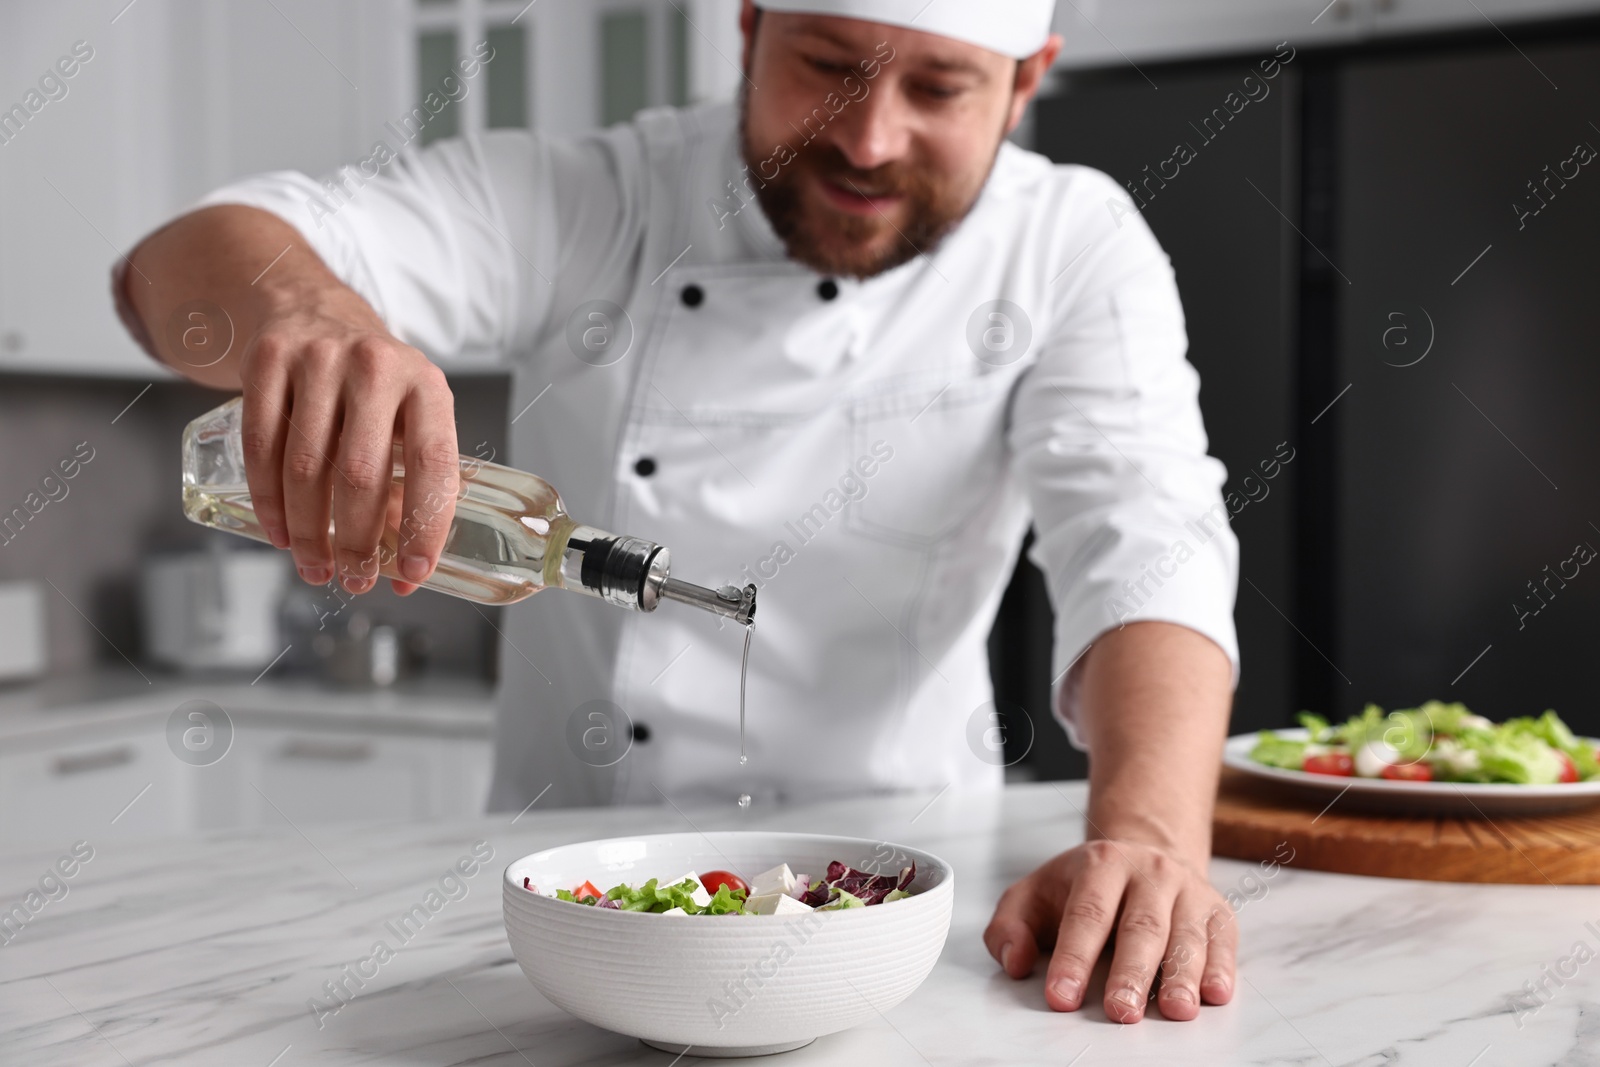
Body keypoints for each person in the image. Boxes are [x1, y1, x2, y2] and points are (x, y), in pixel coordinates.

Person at [115, 0, 1239, 1024]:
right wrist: (316, 316)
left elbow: (1144, 538)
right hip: (569, 907)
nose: (869, 139)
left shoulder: (1071, 246)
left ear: (1025, 79)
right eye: (829, 66)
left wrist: (1145, 837)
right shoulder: (595, 200)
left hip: (910, 911)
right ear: (747, 29)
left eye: (939, 89)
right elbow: (167, 268)